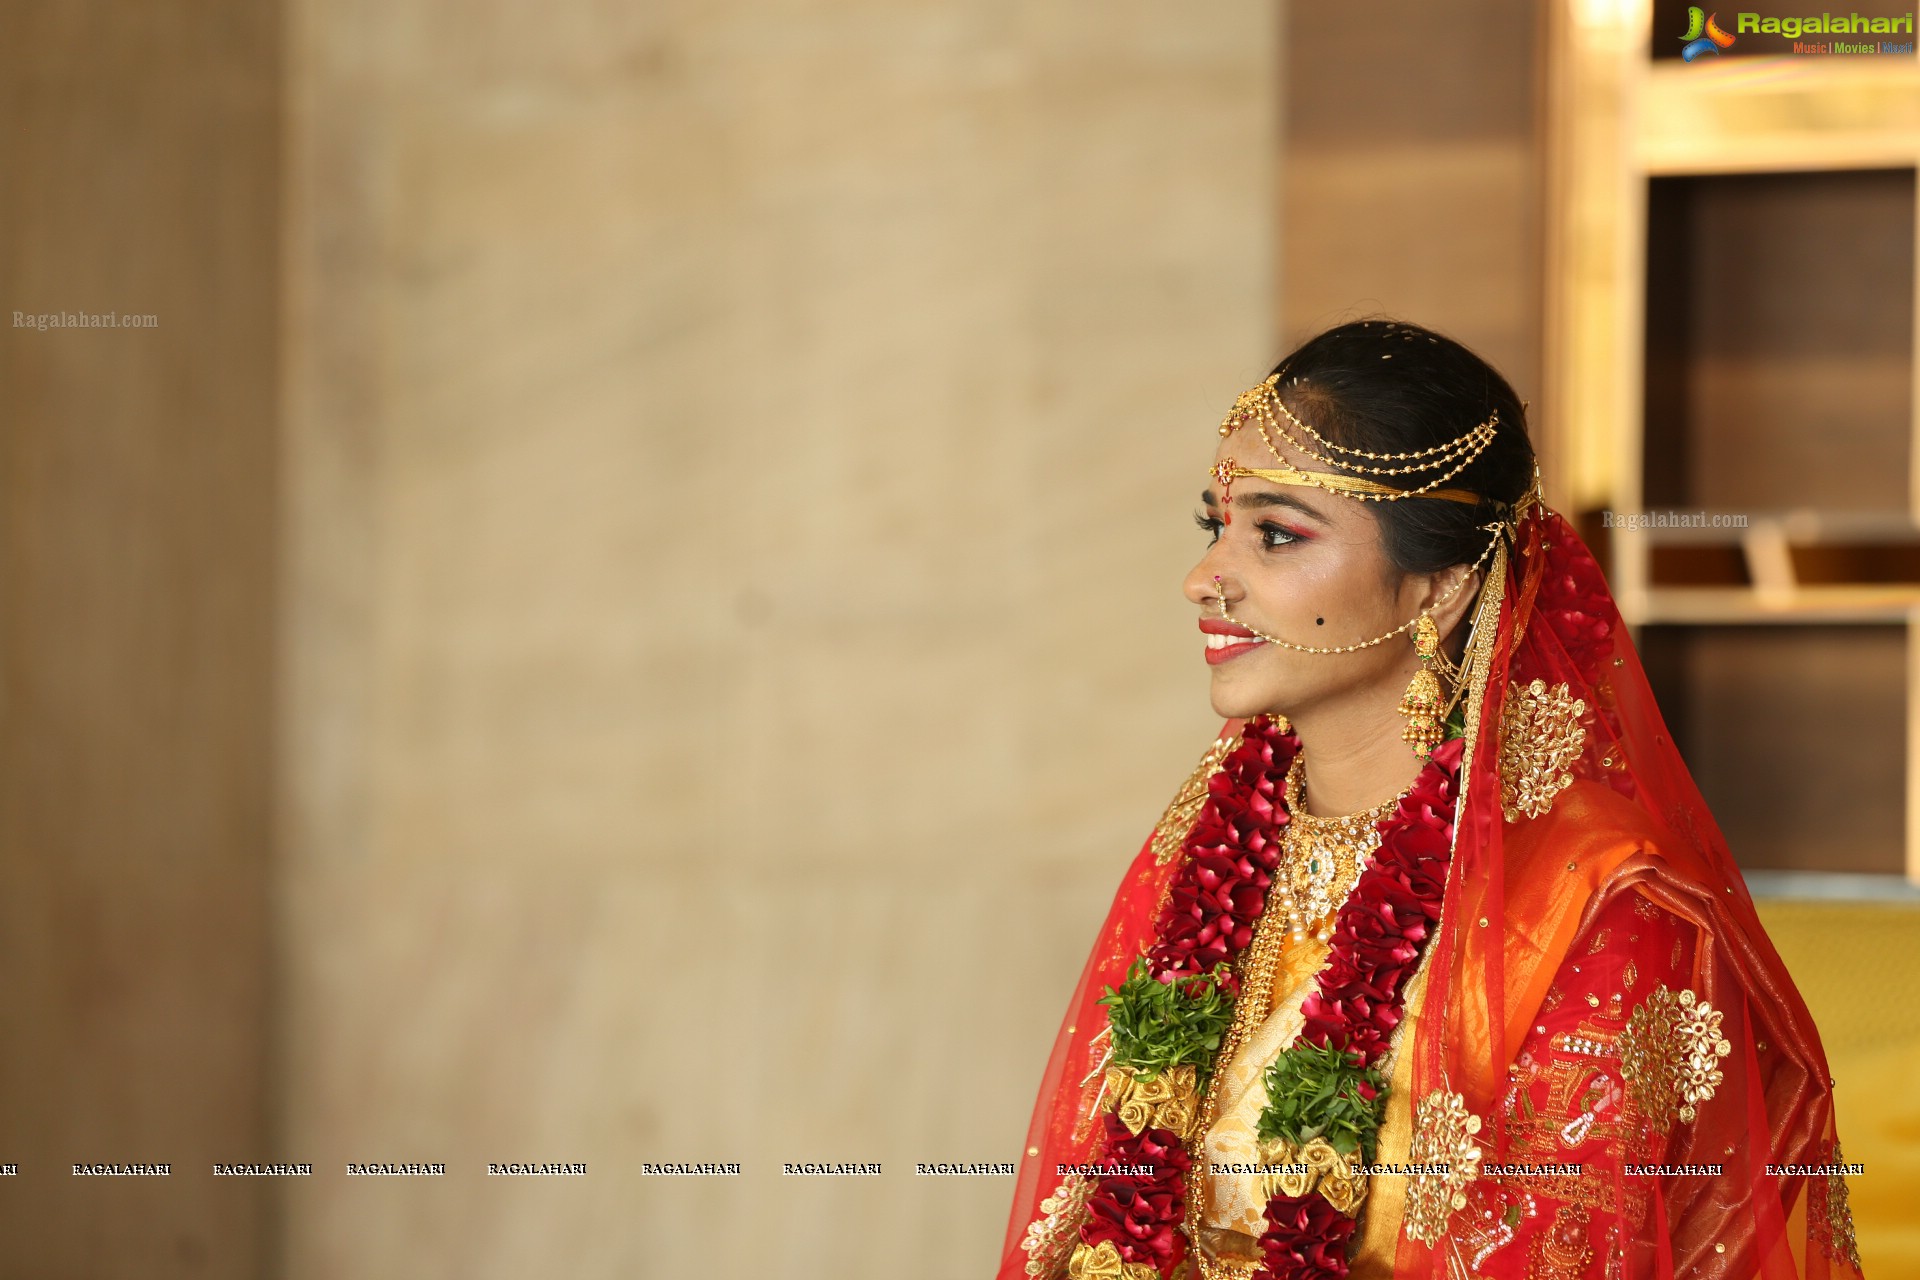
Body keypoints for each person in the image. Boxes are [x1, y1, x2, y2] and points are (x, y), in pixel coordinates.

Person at [999, 320, 1864, 1280]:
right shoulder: (1221, 835)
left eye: (1277, 535)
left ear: (1442, 586)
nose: (1205, 579)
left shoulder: (1588, 902)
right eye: (1217, 525)